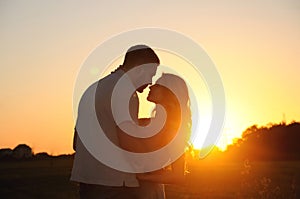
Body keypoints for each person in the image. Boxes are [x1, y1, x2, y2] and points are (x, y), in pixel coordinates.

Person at [71, 44, 160, 199]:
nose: (151, 82)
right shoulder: (126, 91)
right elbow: (128, 141)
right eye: (151, 74)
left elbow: (75, 142)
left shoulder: (92, 89)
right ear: (139, 68)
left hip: (87, 182)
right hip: (116, 184)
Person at [117, 73, 192, 198]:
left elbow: (179, 176)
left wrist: (144, 176)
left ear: (169, 92)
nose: (151, 86)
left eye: (157, 85)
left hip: (147, 191)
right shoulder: (148, 122)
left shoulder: (173, 127)